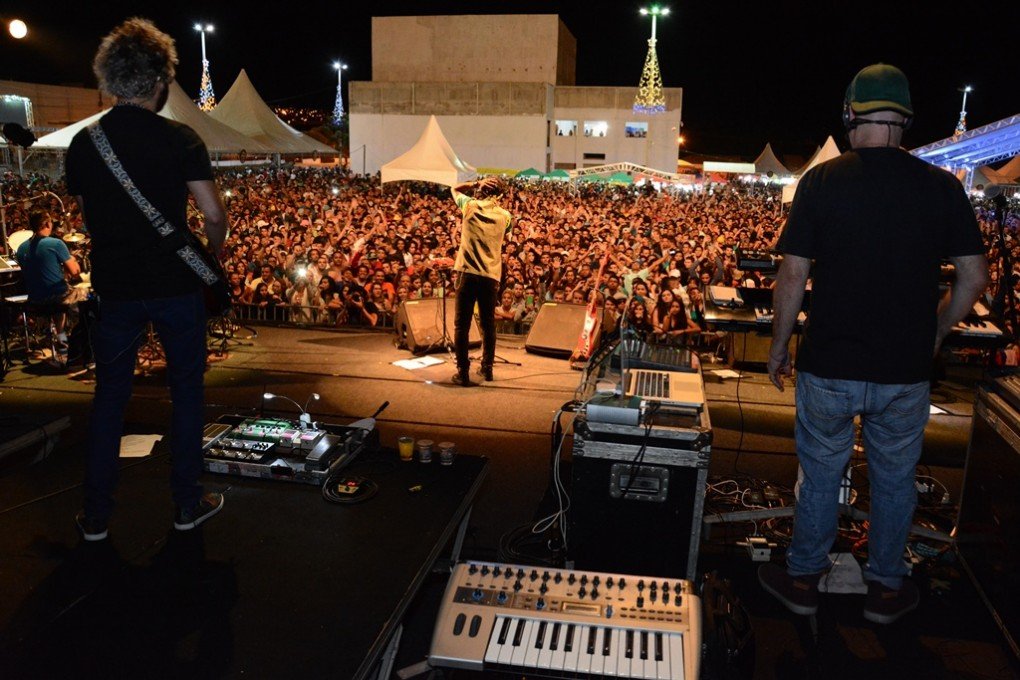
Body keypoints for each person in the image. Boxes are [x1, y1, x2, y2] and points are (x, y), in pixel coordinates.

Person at [759, 64, 989, 624]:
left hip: (830, 361)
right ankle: (886, 589)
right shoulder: (941, 187)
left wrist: (778, 345)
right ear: (904, 120)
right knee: (894, 480)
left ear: (850, 114)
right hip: (904, 371)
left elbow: (792, 274)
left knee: (820, 473)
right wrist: (935, 328)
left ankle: (804, 578)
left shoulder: (821, 181)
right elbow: (974, 277)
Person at [65, 19, 229, 541]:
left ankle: (95, 516)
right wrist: (209, 255)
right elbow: (213, 215)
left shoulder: (85, 144)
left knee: (110, 398)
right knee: (186, 394)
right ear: (160, 81)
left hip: (116, 289)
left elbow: (91, 216)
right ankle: (186, 504)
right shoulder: (180, 138)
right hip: (176, 287)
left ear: (111, 79)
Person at [449, 176, 512, 385]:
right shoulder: (505, 216)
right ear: (501, 195)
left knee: (462, 325)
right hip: (490, 276)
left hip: (467, 273)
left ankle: (463, 372)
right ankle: (487, 368)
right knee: (488, 325)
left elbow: (454, 189)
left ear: (481, 190)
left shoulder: (469, 206)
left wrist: (476, 183)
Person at [15, 209, 87, 366]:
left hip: (34, 300)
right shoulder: (56, 243)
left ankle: (58, 339)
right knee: (86, 295)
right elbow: (75, 272)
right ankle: (76, 346)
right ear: (47, 223)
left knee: (58, 303)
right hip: (57, 298)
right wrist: (73, 260)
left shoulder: (21, 249)